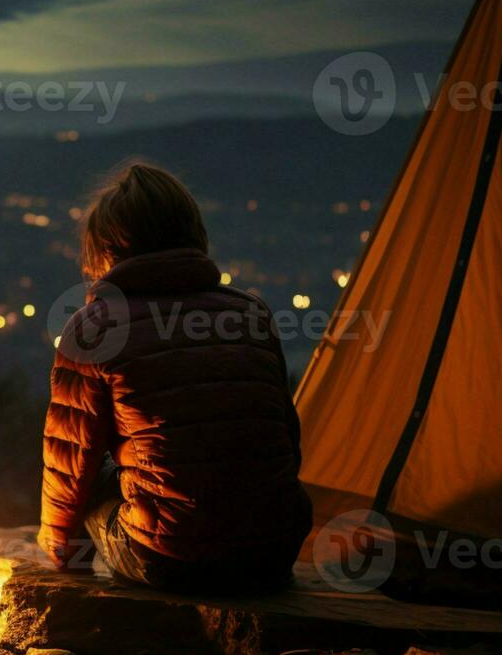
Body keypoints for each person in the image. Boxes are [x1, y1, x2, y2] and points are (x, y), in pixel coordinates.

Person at [38, 161, 312, 594]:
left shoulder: (94, 330)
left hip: (172, 559)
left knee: (92, 479)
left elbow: (69, 468)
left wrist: (59, 553)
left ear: (106, 250)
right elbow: (286, 445)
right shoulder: (251, 313)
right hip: (273, 554)